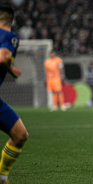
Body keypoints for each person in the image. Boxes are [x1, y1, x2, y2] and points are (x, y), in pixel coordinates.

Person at [0, 5, 29, 184]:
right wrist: (12, 69)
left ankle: (2, 179)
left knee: (20, 134)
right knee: (20, 136)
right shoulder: (9, 37)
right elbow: (3, 57)